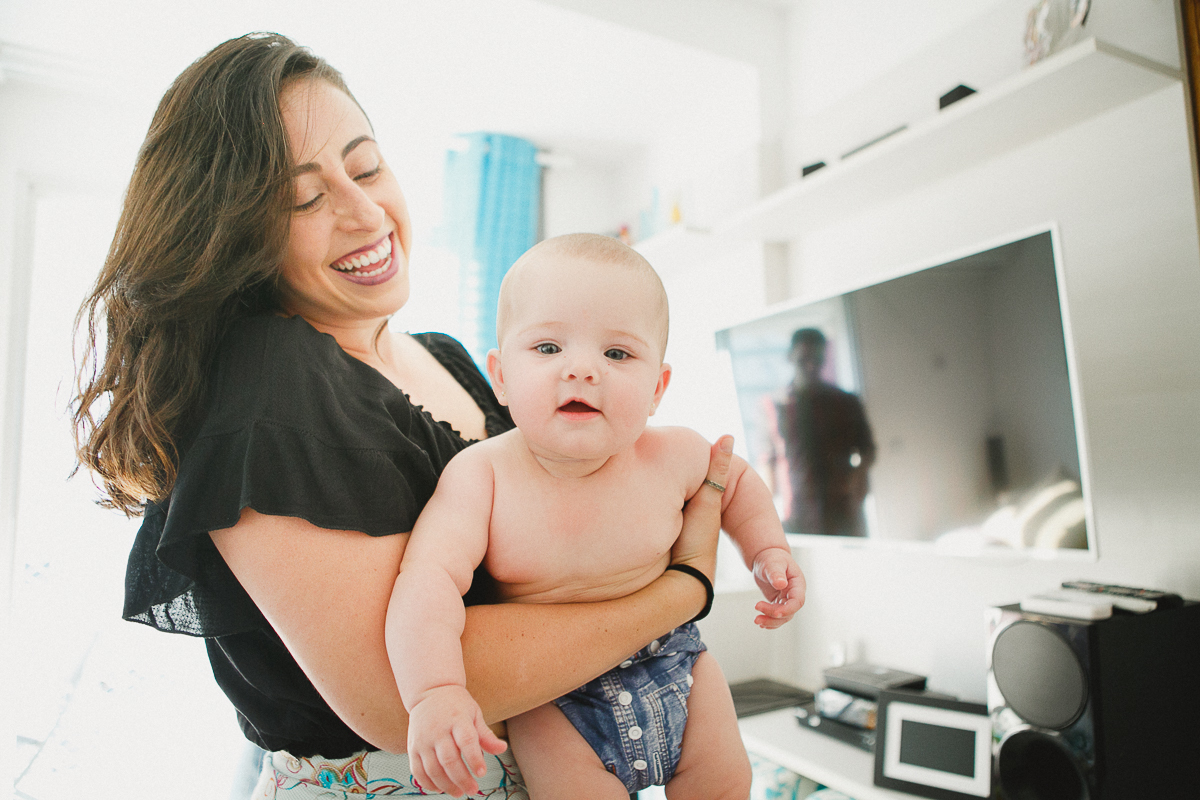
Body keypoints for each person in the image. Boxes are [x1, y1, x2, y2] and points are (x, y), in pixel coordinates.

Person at [70, 33, 732, 799]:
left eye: (366, 168)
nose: (365, 213)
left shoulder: (444, 356)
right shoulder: (267, 390)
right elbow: (393, 698)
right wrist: (681, 591)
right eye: (305, 198)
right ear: (233, 233)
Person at [388, 234, 806, 799]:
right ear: (501, 377)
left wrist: (768, 552)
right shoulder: (481, 475)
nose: (582, 370)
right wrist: (434, 691)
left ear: (657, 388)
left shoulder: (673, 454)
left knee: (727, 783)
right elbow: (426, 581)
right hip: (553, 697)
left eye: (617, 354)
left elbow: (737, 483)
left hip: (678, 662)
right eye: (548, 347)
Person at [760, 328, 876, 537]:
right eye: (803, 359)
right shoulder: (773, 406)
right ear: (790, 357)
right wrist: (766, 512)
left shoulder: (846, 402)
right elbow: (767, 460)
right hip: (796, 513)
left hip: (842, 510)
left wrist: (857, 484)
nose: (811, 366)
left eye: (817, 359)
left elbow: (867, 450)